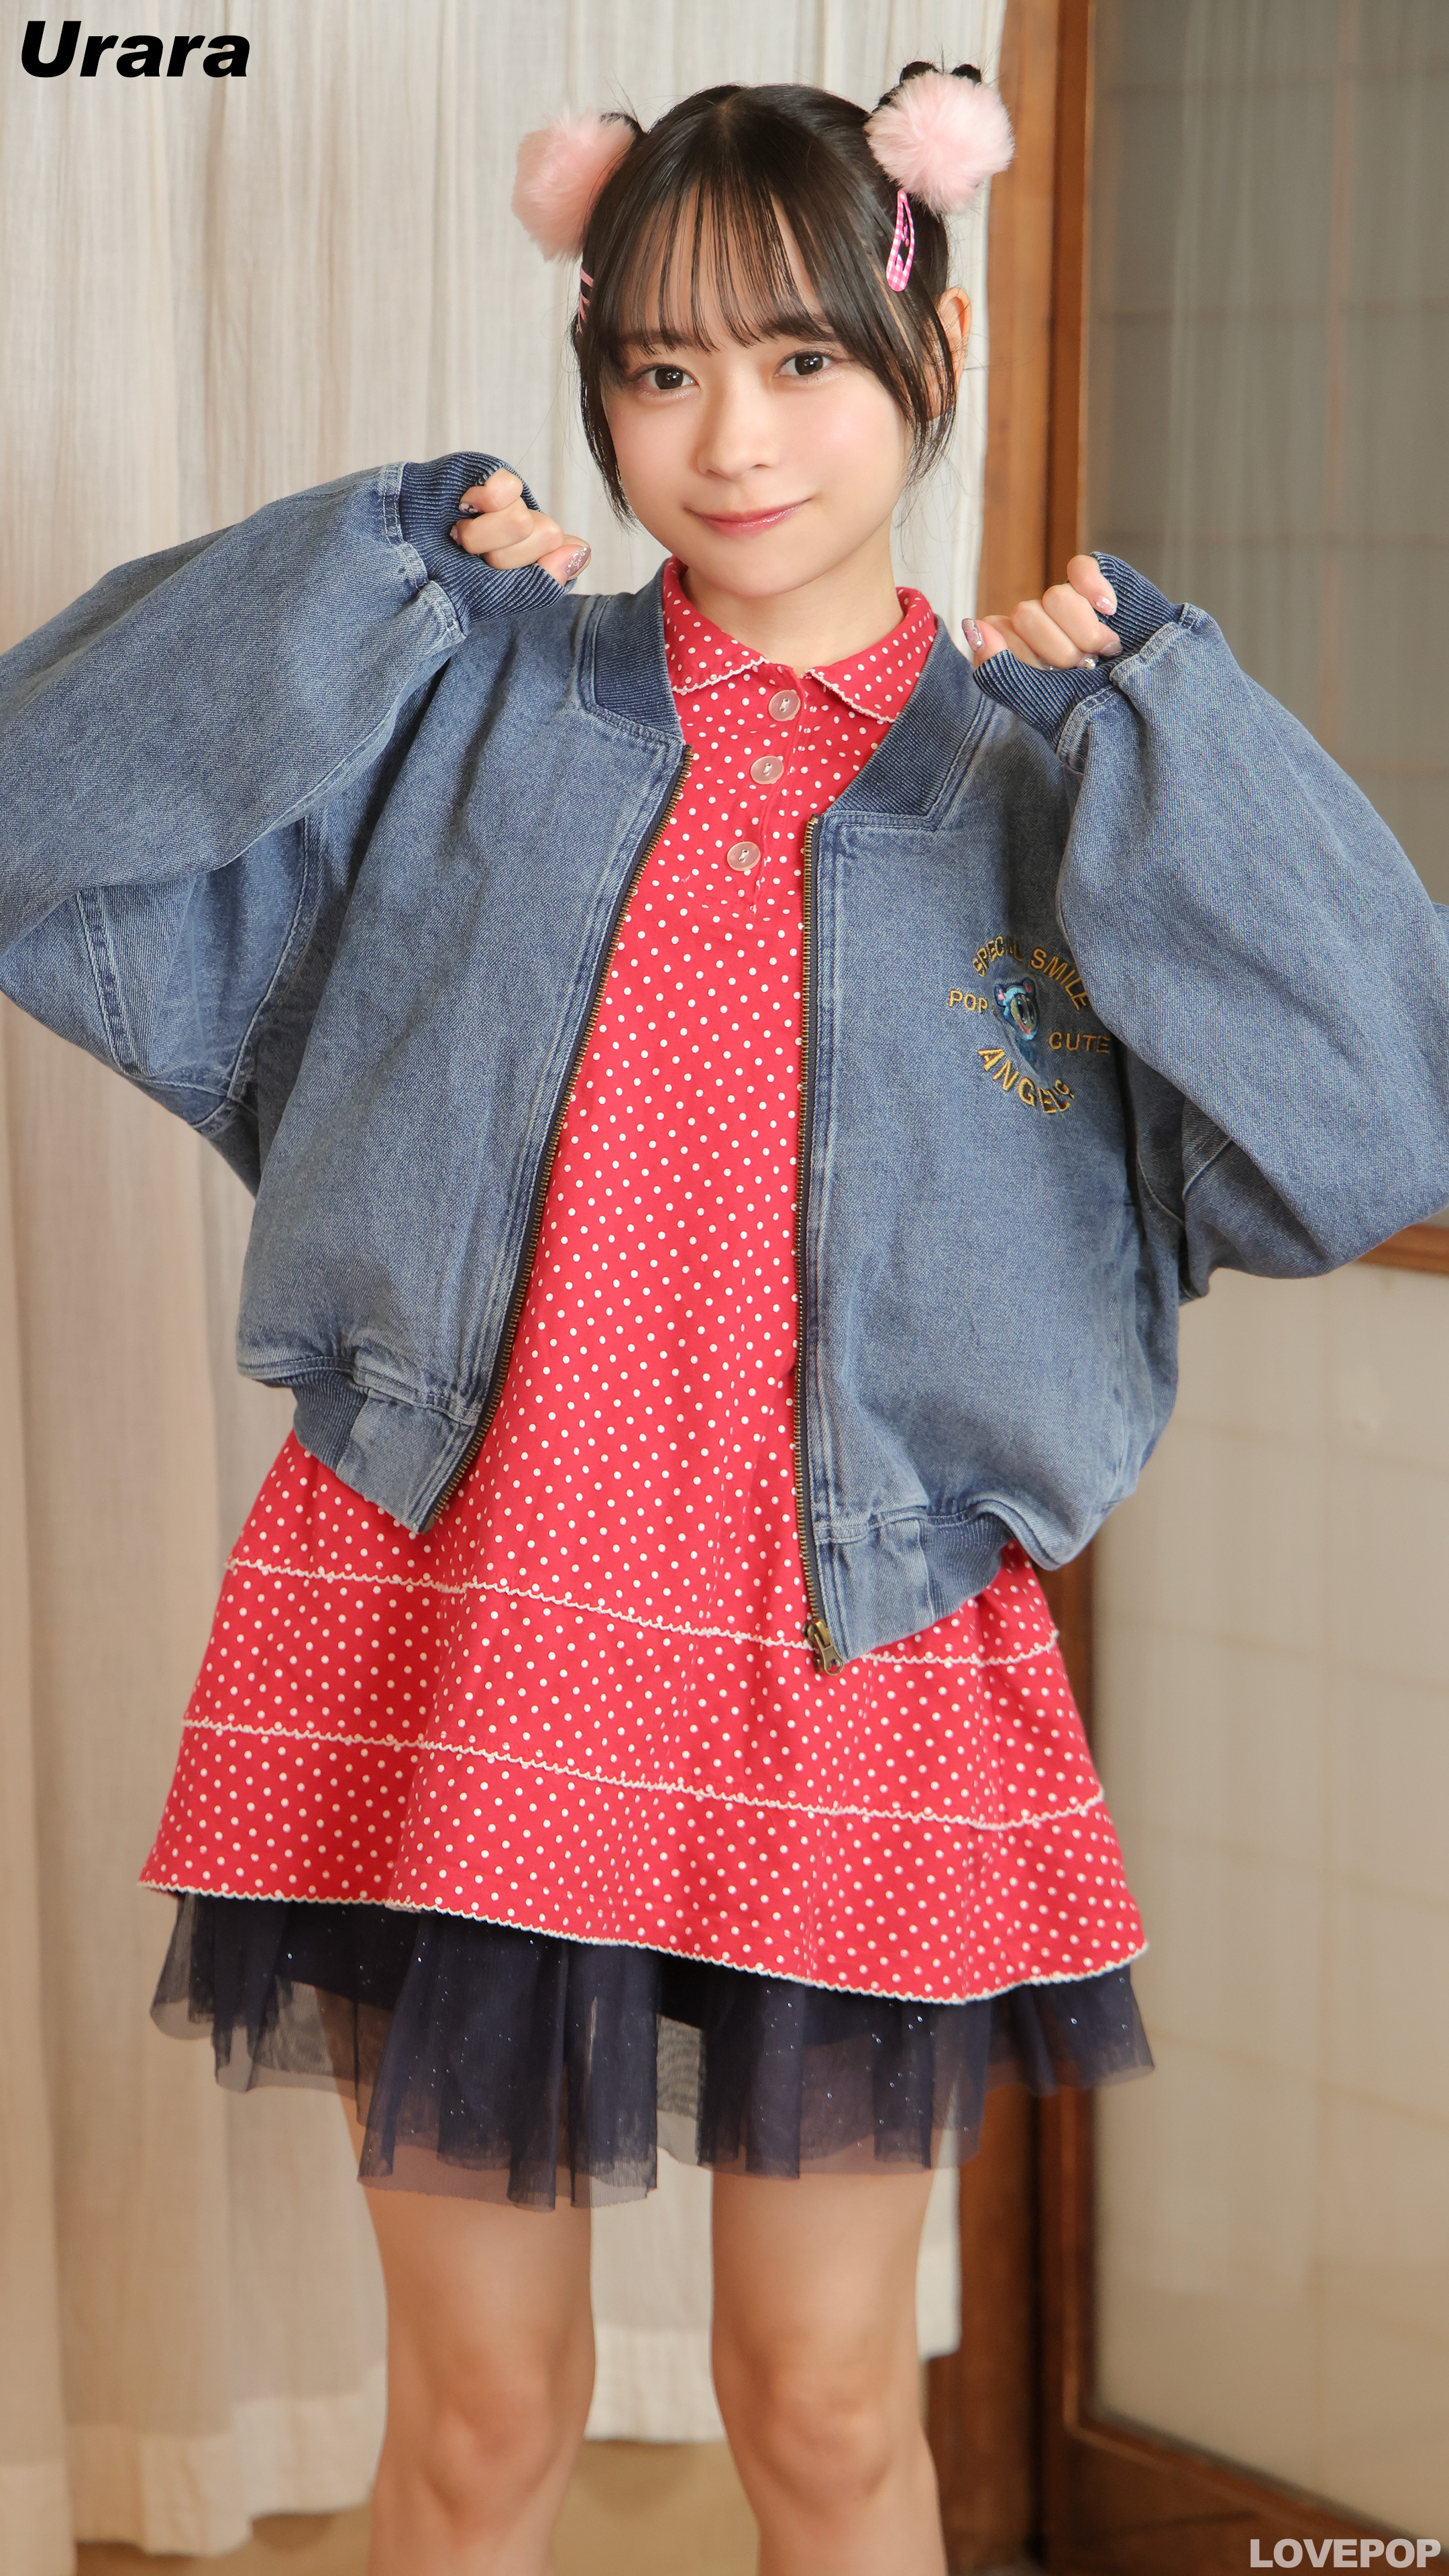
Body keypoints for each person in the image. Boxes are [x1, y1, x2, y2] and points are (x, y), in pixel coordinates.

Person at [2, 62, 1446, 2576]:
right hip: (460, 1616)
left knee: (826, 2417)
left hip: (849, 1649)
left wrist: (1177, 737)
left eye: (796, 359)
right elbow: (44, 818)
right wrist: (363, 573)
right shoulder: (472, 698)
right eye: (661, 369)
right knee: (478, 2429)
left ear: (931, 351)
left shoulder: (1050, 785)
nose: (733, 439)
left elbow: (1379, 1124)